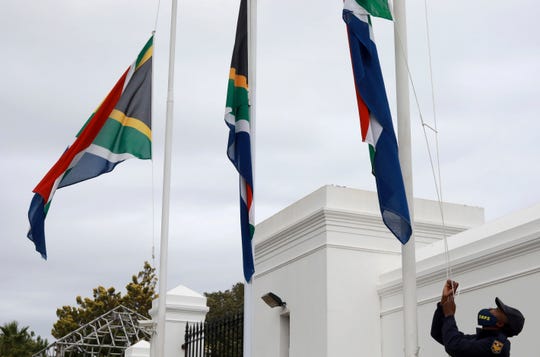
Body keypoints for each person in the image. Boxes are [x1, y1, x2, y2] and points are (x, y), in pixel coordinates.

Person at [431, 280, 525, 356]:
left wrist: (449, 315)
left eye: (497, 310)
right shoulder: (481, 339)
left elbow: (454, 346)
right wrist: (443, 302)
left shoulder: (497, 345)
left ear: (500, 323)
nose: (490, 309)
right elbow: (438, 334)